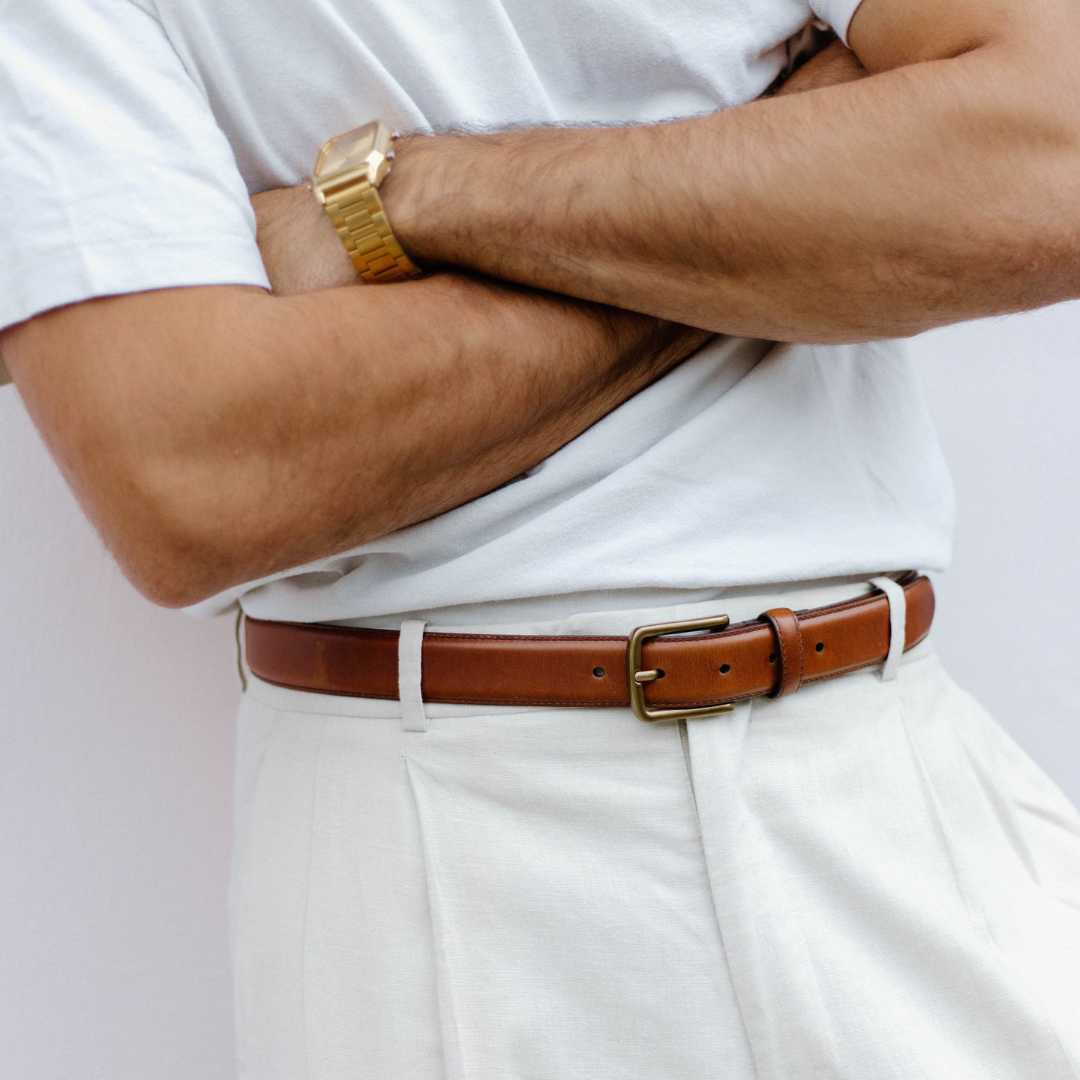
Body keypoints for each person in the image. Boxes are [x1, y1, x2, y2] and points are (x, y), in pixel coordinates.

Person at [3, 0, 1080, 1076]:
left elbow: (1052, 143)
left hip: (894, 776)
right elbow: (196, 476)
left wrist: (401, 194)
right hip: (434, 852)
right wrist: (771, 193)